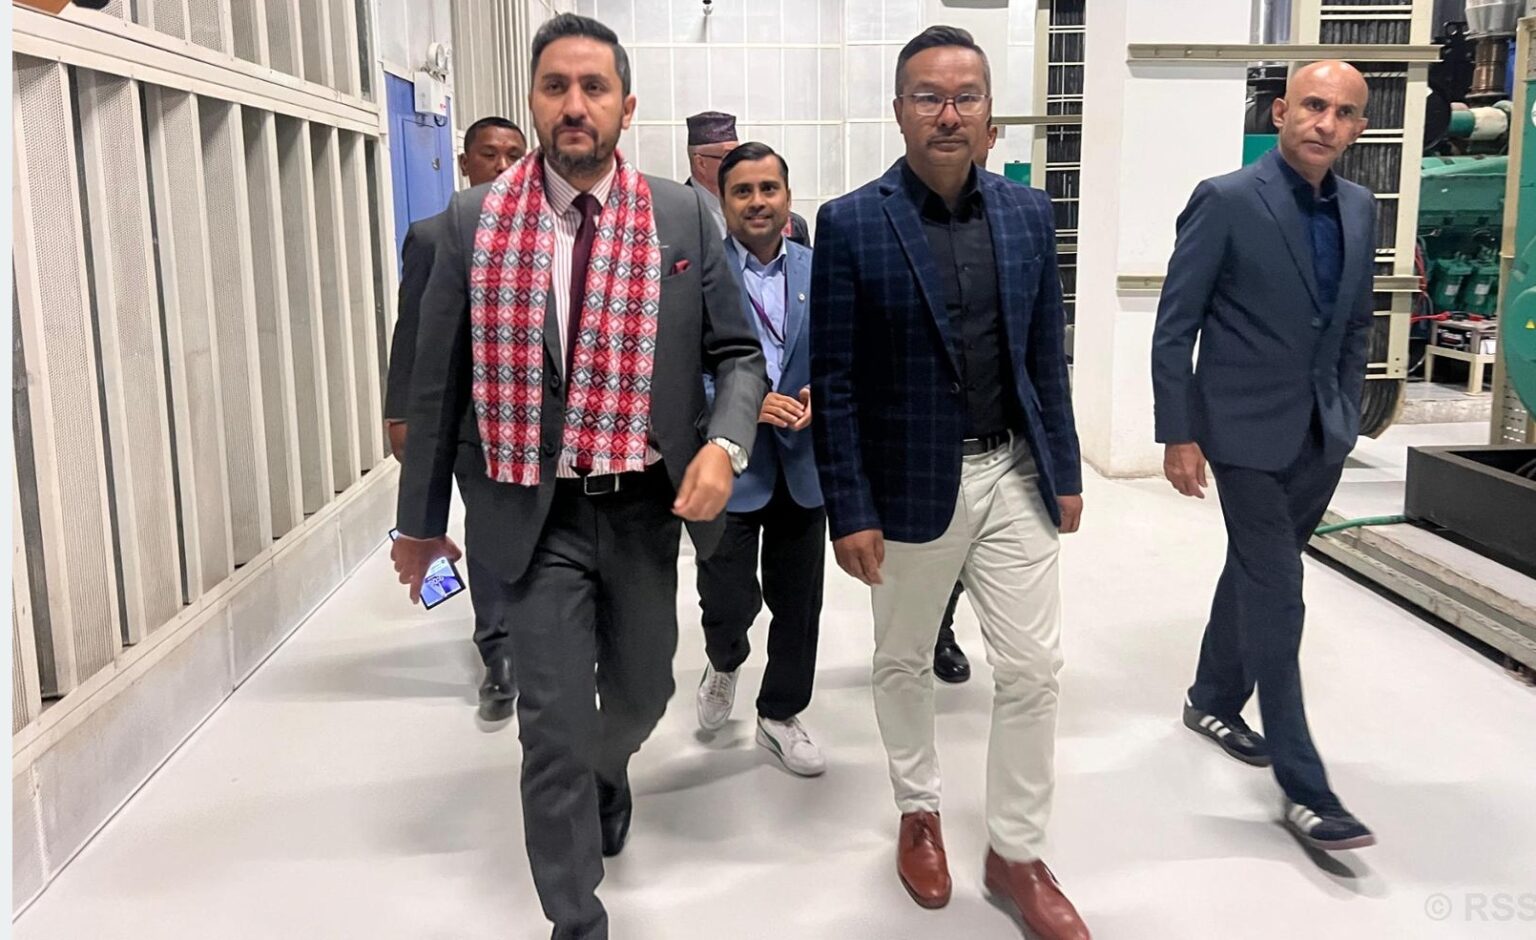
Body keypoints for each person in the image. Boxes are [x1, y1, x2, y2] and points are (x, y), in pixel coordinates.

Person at [391, 14, 767, 939]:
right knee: (551, 728)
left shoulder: (680, 216)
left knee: (644, 693)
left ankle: (611, 767)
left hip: (642, 506)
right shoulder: (471, 223)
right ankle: (575, 919)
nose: (574, 104)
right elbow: (437, 388)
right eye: (555, 85)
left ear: (625, 107)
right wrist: (420, 524)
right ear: (533, 99)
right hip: (531, 510)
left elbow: (738, 354)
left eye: (593, 88)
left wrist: (724, 444)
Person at [810, 26, 1089, 940]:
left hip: (1013, 469)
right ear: (899, 111)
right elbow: (834, 380)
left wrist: (1065, 468)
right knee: (901, 661)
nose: (948, 113)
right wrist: (849, 508)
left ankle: (1016, 852)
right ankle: (918, 810)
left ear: (989, 113)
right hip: (907, 483)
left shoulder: (1027, 213)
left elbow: (1045, 354)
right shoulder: (852, 222)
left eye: (966, 96)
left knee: (1035, 668)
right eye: (928, 96)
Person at [1152, 60, 1378, 852]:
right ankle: (1307, 789)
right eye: (1313, 106)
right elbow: (1176, 327)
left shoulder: (1360, 207)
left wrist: (1346, 413)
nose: (1326, 123)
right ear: (1282, 111)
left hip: (1321, 435)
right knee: (1280, 593)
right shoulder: (1226, 200)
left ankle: (1212, 697)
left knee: (1254, 572)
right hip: (1241, 434)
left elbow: (1355, 323)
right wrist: (1179, 432)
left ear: (1358, 128)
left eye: (1344, 113)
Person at [383, 115, 527, 725]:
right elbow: (412, 330)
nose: (502, 165)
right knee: (490, 536)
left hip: (545, 422)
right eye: (489, 154)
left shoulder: (552, 231)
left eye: (514, 154)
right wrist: (401, 412)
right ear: (464, 163)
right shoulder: (433, 235)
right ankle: (499, 655)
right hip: (472, 418)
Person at [693, 142, 826, 777]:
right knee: (726, 597)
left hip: (803, 464)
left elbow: (844, 352)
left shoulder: (819, 270)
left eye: (768, 188)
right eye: (742, 191)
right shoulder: (700, 274)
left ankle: (780, 714)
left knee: (799, 602)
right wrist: (742, 405)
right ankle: (724, 660)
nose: (757, 202)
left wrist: (821, 394)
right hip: (730, 467)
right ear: (723, 202)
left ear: (788, 197)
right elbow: (684, 371)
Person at [933, 119, 1000, 686]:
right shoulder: (895, 218)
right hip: (924, 434)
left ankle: (943, 628)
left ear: (991, 134)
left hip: (998, 440)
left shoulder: (1015, 215)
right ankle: (933, 629)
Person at [684, 110, 810, 245]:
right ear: (701, 163)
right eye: (728, 155)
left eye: (768, 188)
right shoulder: (677, 216)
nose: (738, 161)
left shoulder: (791, 224)